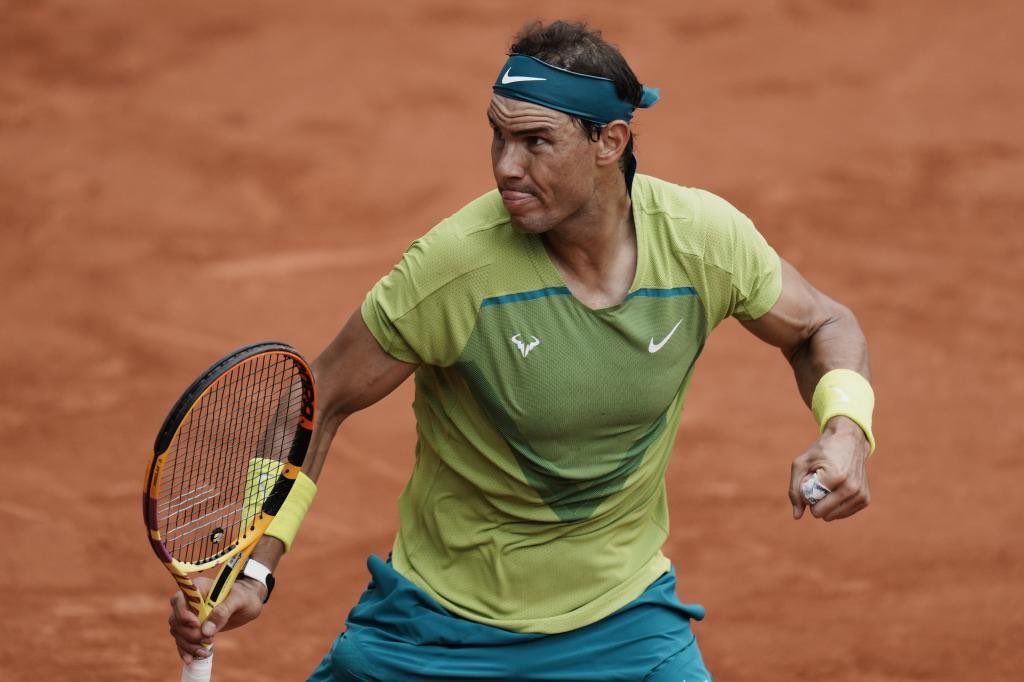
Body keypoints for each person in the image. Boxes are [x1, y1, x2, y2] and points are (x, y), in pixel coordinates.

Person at [168, 19, 875, 681]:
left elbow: (822, 324)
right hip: (438, 629)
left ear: (611, 142)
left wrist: (845, 432)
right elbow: (316, 399)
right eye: (497, 138)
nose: (506, 166)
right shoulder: (456, 268)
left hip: (622, 619)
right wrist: (251, 571)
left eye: (536, 141)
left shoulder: (703, 241)